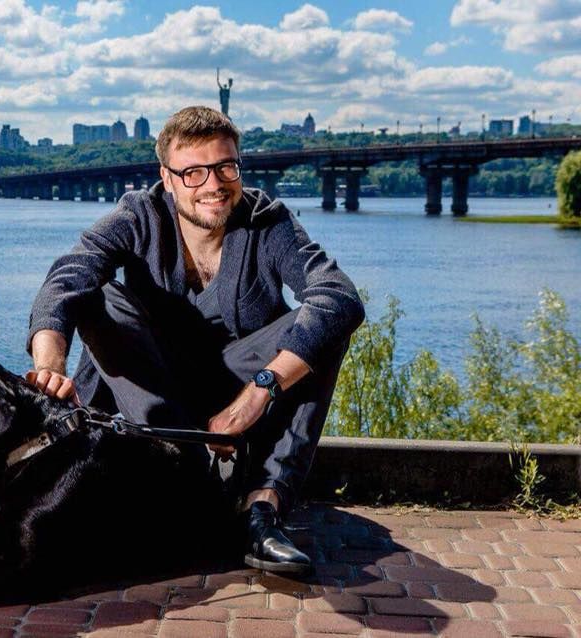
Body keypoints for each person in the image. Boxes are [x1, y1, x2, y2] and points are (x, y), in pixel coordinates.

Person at [25, 106, 364, 574]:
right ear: (167, 178)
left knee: (325, 321)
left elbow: (338, 296)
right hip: (155, 394)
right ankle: (177, 471)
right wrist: (49, 367)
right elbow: (68, 277)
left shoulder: (268, 221)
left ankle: (261, 511)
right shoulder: (139, 215)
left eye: (226, 167)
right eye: (193, 172)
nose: (213, 184)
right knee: (99, 295)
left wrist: (259, 392)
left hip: (236, 389)